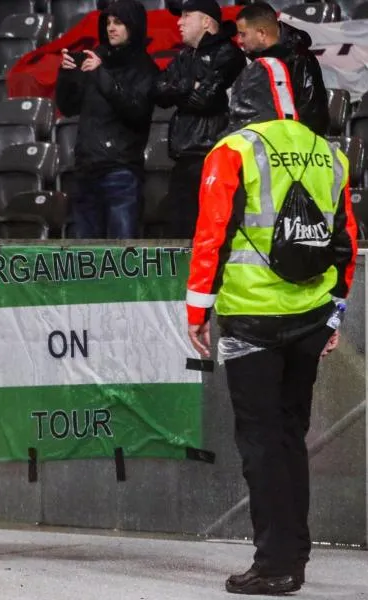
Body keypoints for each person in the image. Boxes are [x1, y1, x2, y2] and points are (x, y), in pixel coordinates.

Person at [186, 57, 357, 595]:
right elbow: (346, 245)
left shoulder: (233, 150)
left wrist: (197, 312)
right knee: (288, 439)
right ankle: (292, 557)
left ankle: (275, 564)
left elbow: (210, 236)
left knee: (261, 444)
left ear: (242, 99)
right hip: (309, 318)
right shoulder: (329, 153)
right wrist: (334, 313)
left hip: (251, 320)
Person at [54, 0, 158, 239]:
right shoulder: (95, 59)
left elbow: (137, 111)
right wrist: (67, 74)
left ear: (134, 26)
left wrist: (102, 74)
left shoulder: (145, 68)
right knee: (87, 259)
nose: (111, 28)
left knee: (122, 259)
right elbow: (68, 107)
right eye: (108, 22)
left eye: (119, 23)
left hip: (121, 172)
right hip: (86, 170)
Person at [155, 0, 246, 238]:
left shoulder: (229, 54)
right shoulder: (184, 56)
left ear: (206, 22)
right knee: (179, 232)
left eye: (186, 16)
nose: (179, 22)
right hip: (184, 156)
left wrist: (179, 89)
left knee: (211, 233)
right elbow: (157, 92)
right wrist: (189, 85)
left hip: (214, 155)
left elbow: (204, 100)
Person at [233, 2, 329, 135]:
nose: (239, 40)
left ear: (261, 33)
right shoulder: (254, 61)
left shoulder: (299, 59)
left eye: (243, 34)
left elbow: (311, 115)